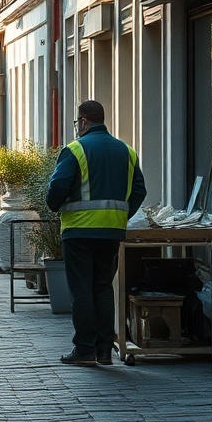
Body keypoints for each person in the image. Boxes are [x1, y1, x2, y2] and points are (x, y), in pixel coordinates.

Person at [47, 100, 146, 367]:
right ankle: (104, 351)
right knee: (102, 287)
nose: (77, 127)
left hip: (79, 231)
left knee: (81, 291)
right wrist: (121, 215)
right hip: (111, 231)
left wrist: (55, 205)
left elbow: (57, 188)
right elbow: (139, 191)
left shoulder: (75, 149)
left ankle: (84, 350)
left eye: (77, 122)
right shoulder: (126, 151)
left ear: (84, 121)